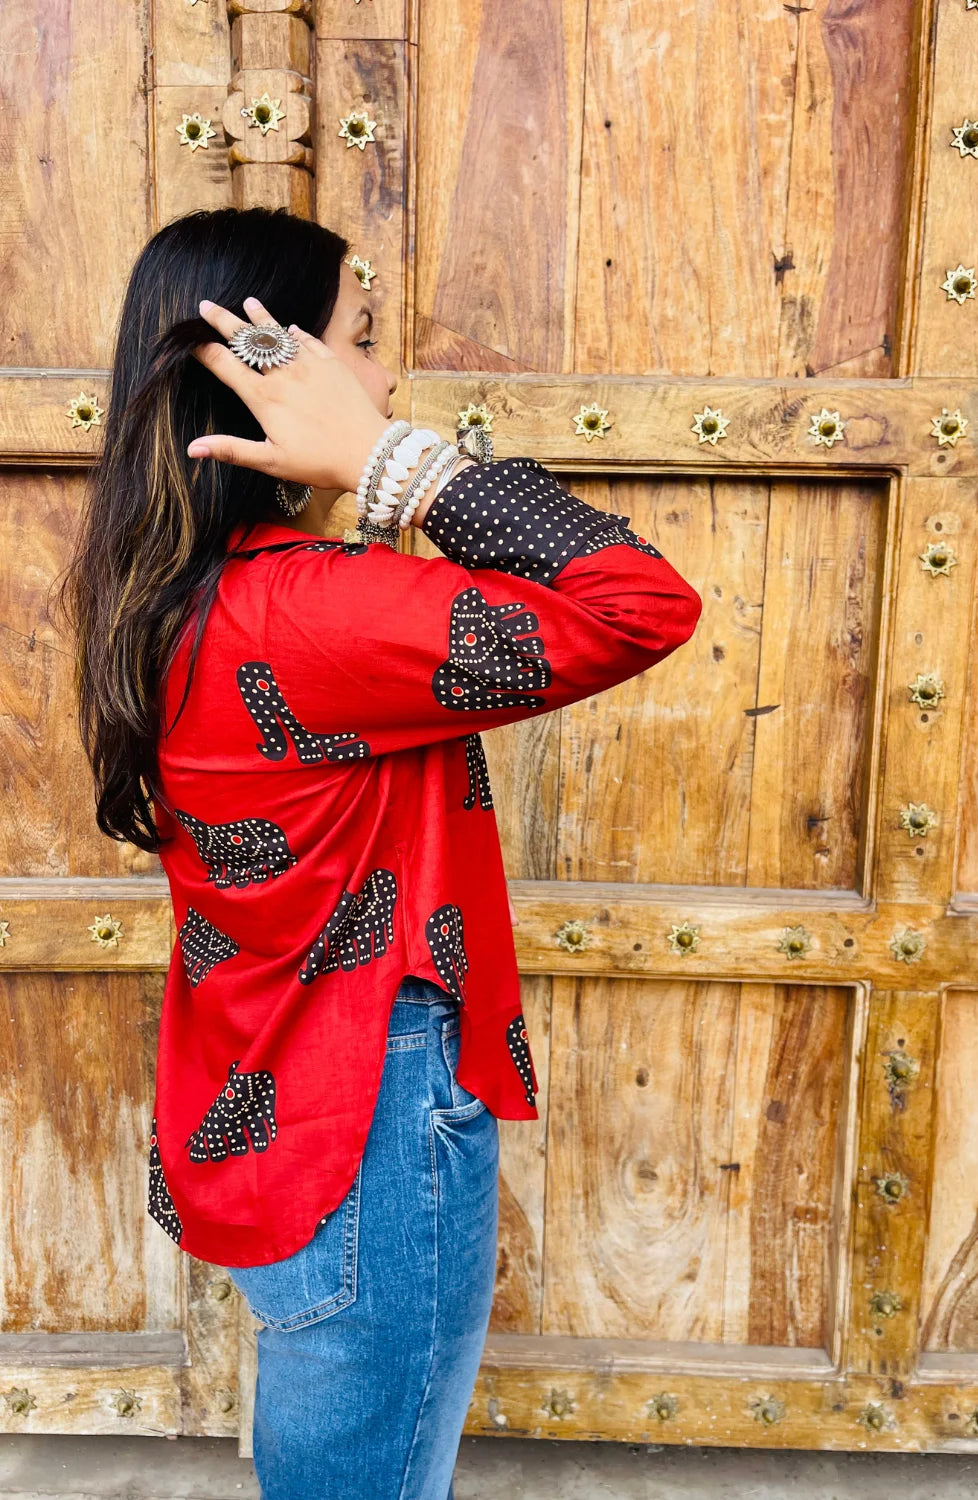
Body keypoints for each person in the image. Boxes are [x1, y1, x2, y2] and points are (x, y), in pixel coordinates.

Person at [57, 206, 703, 1500]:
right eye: (360, 339)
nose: (389, 375)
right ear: (266, 368)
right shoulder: (307, 612)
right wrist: (389, 459)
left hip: (277, 1079)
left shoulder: (175, 588)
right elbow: (643, 603)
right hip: (371, 1106)